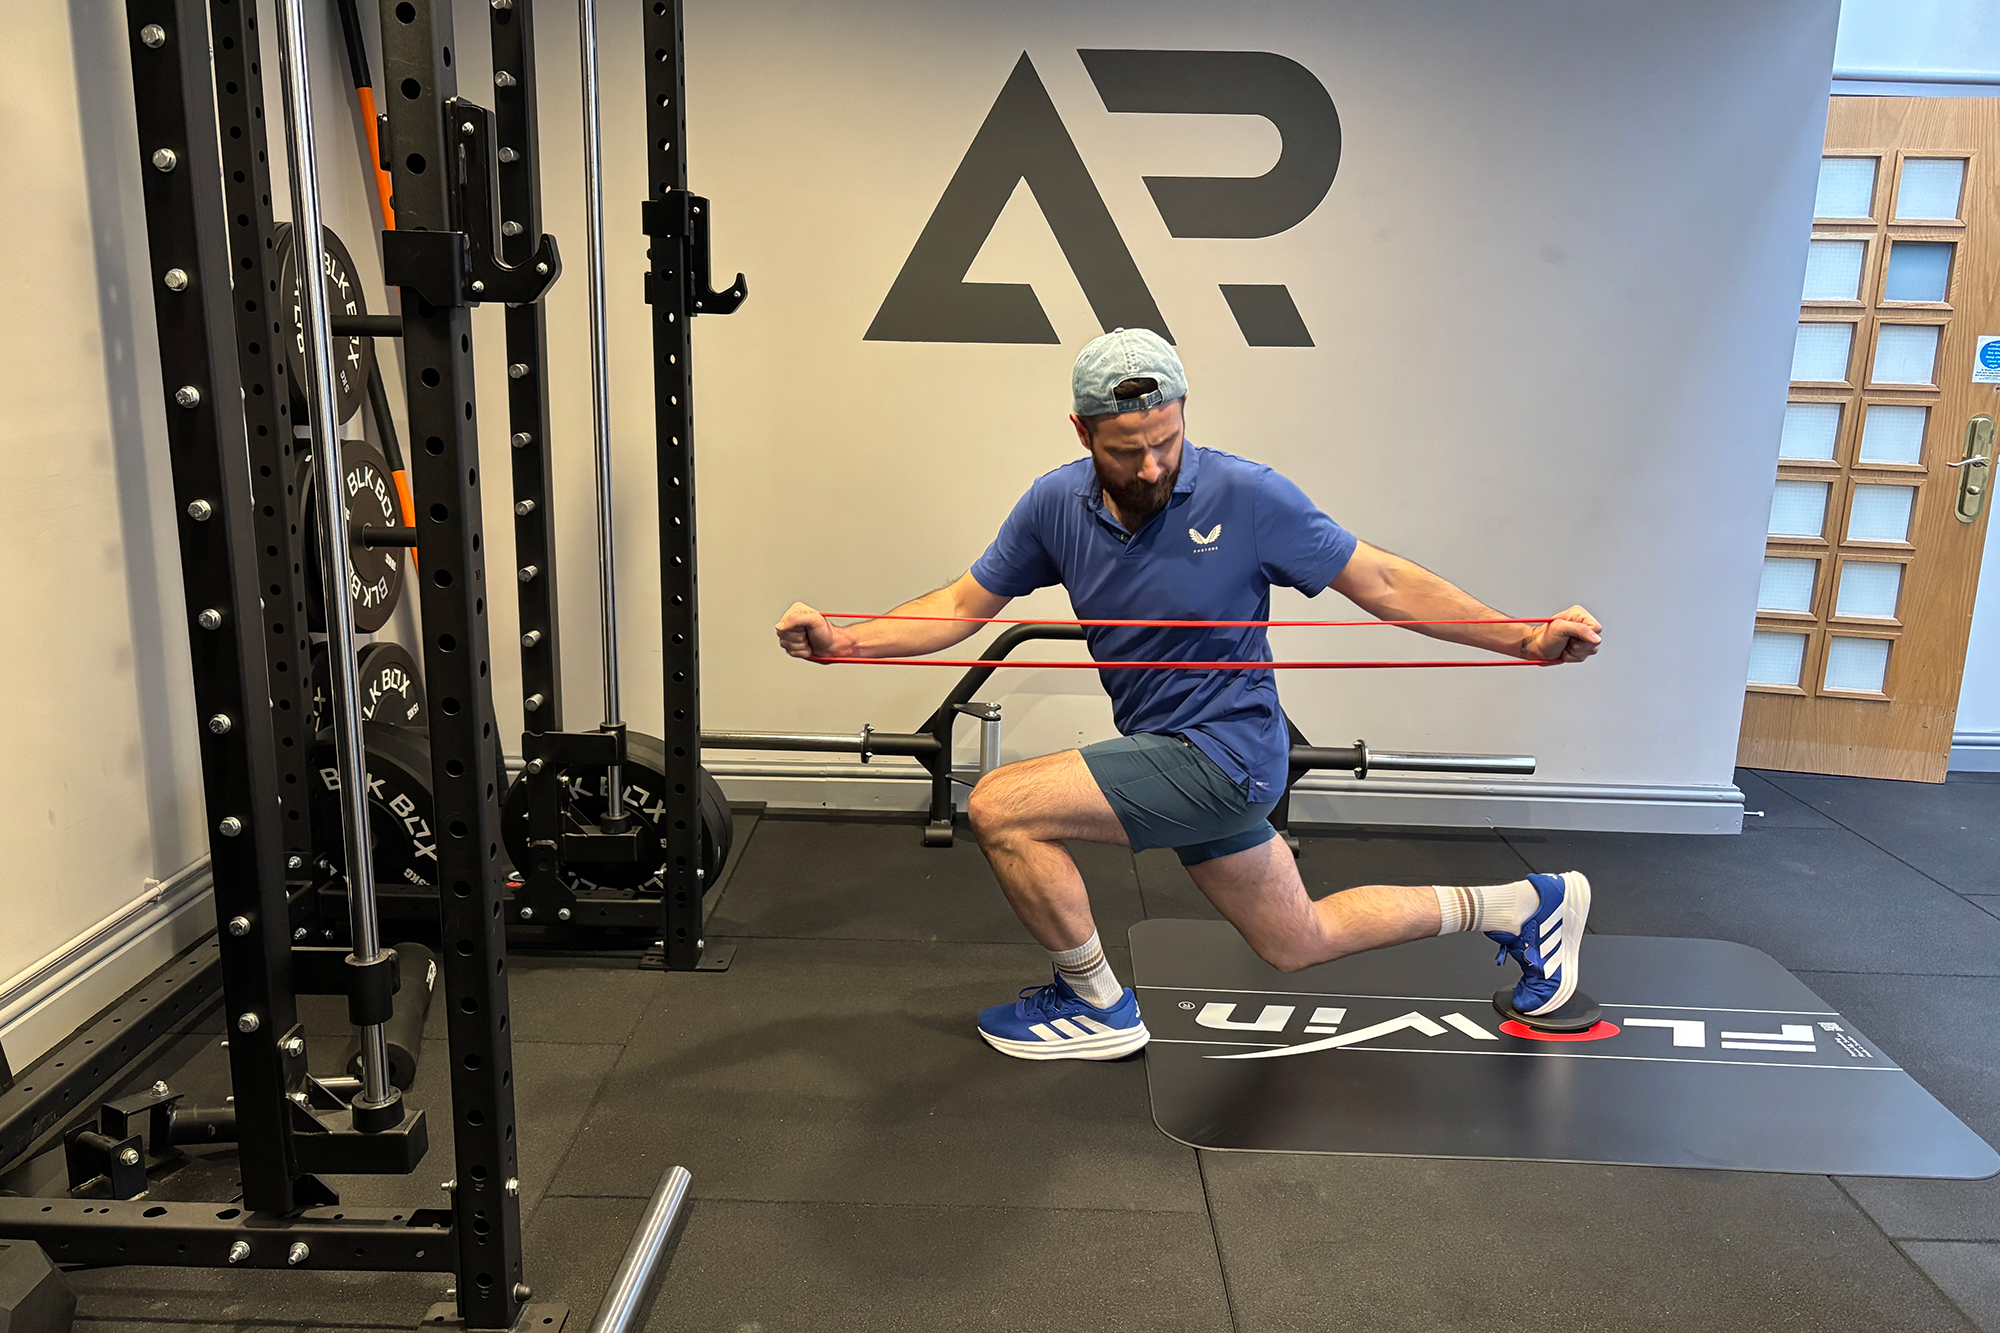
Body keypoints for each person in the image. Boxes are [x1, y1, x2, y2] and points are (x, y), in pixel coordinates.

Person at [776, 328, 1603, 1061]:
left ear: (1183, 416)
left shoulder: (1248, 496)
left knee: (1000, 803)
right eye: (1124, 449)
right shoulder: (1053, 505)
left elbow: (1382, 580)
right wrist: (848, 643)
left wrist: (1524, 639)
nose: (1149, 466)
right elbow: (960, 605)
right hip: (1175, 751)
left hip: (1229, 754)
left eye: (1165, 442)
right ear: (1082, 432)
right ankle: (1526, 905)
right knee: (1297, 939)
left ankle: (1094, 1001)